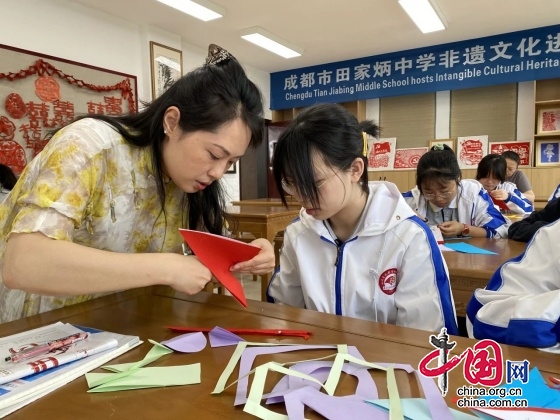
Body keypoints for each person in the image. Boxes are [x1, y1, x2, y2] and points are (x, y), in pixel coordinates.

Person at [0, 44, 275, 324]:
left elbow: (209, 256)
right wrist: (165, 268)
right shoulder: (90, 147)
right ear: (172, 122)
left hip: (120, 331)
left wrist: (251, 254)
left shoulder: (190, 185)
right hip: (38, 332)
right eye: (214, 154)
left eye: (230, 162)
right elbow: (23, 264)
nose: (218, 172)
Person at [267, 103, 458, 334]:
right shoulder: (298, 234)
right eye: (292, 183)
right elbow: (285, 311)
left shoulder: (409, 237)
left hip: (387, 366)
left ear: (355, 170)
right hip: (314, 361)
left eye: (314, 183)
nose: (302, 196)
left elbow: (428, 337)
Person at [466, 219, 560, 350]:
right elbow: (513, 228)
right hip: (503, 329)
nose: (437, 197)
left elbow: (499, 228)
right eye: (430, 195)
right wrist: (465, 229)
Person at [402, 145, 509, 239]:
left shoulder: (473, 194)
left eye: (445, 191)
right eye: (429, 192)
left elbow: (500, 231)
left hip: (469, 260)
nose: (438, 198)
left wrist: (464, 228)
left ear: (457, 179)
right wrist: (403, 217)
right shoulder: (412, 199)